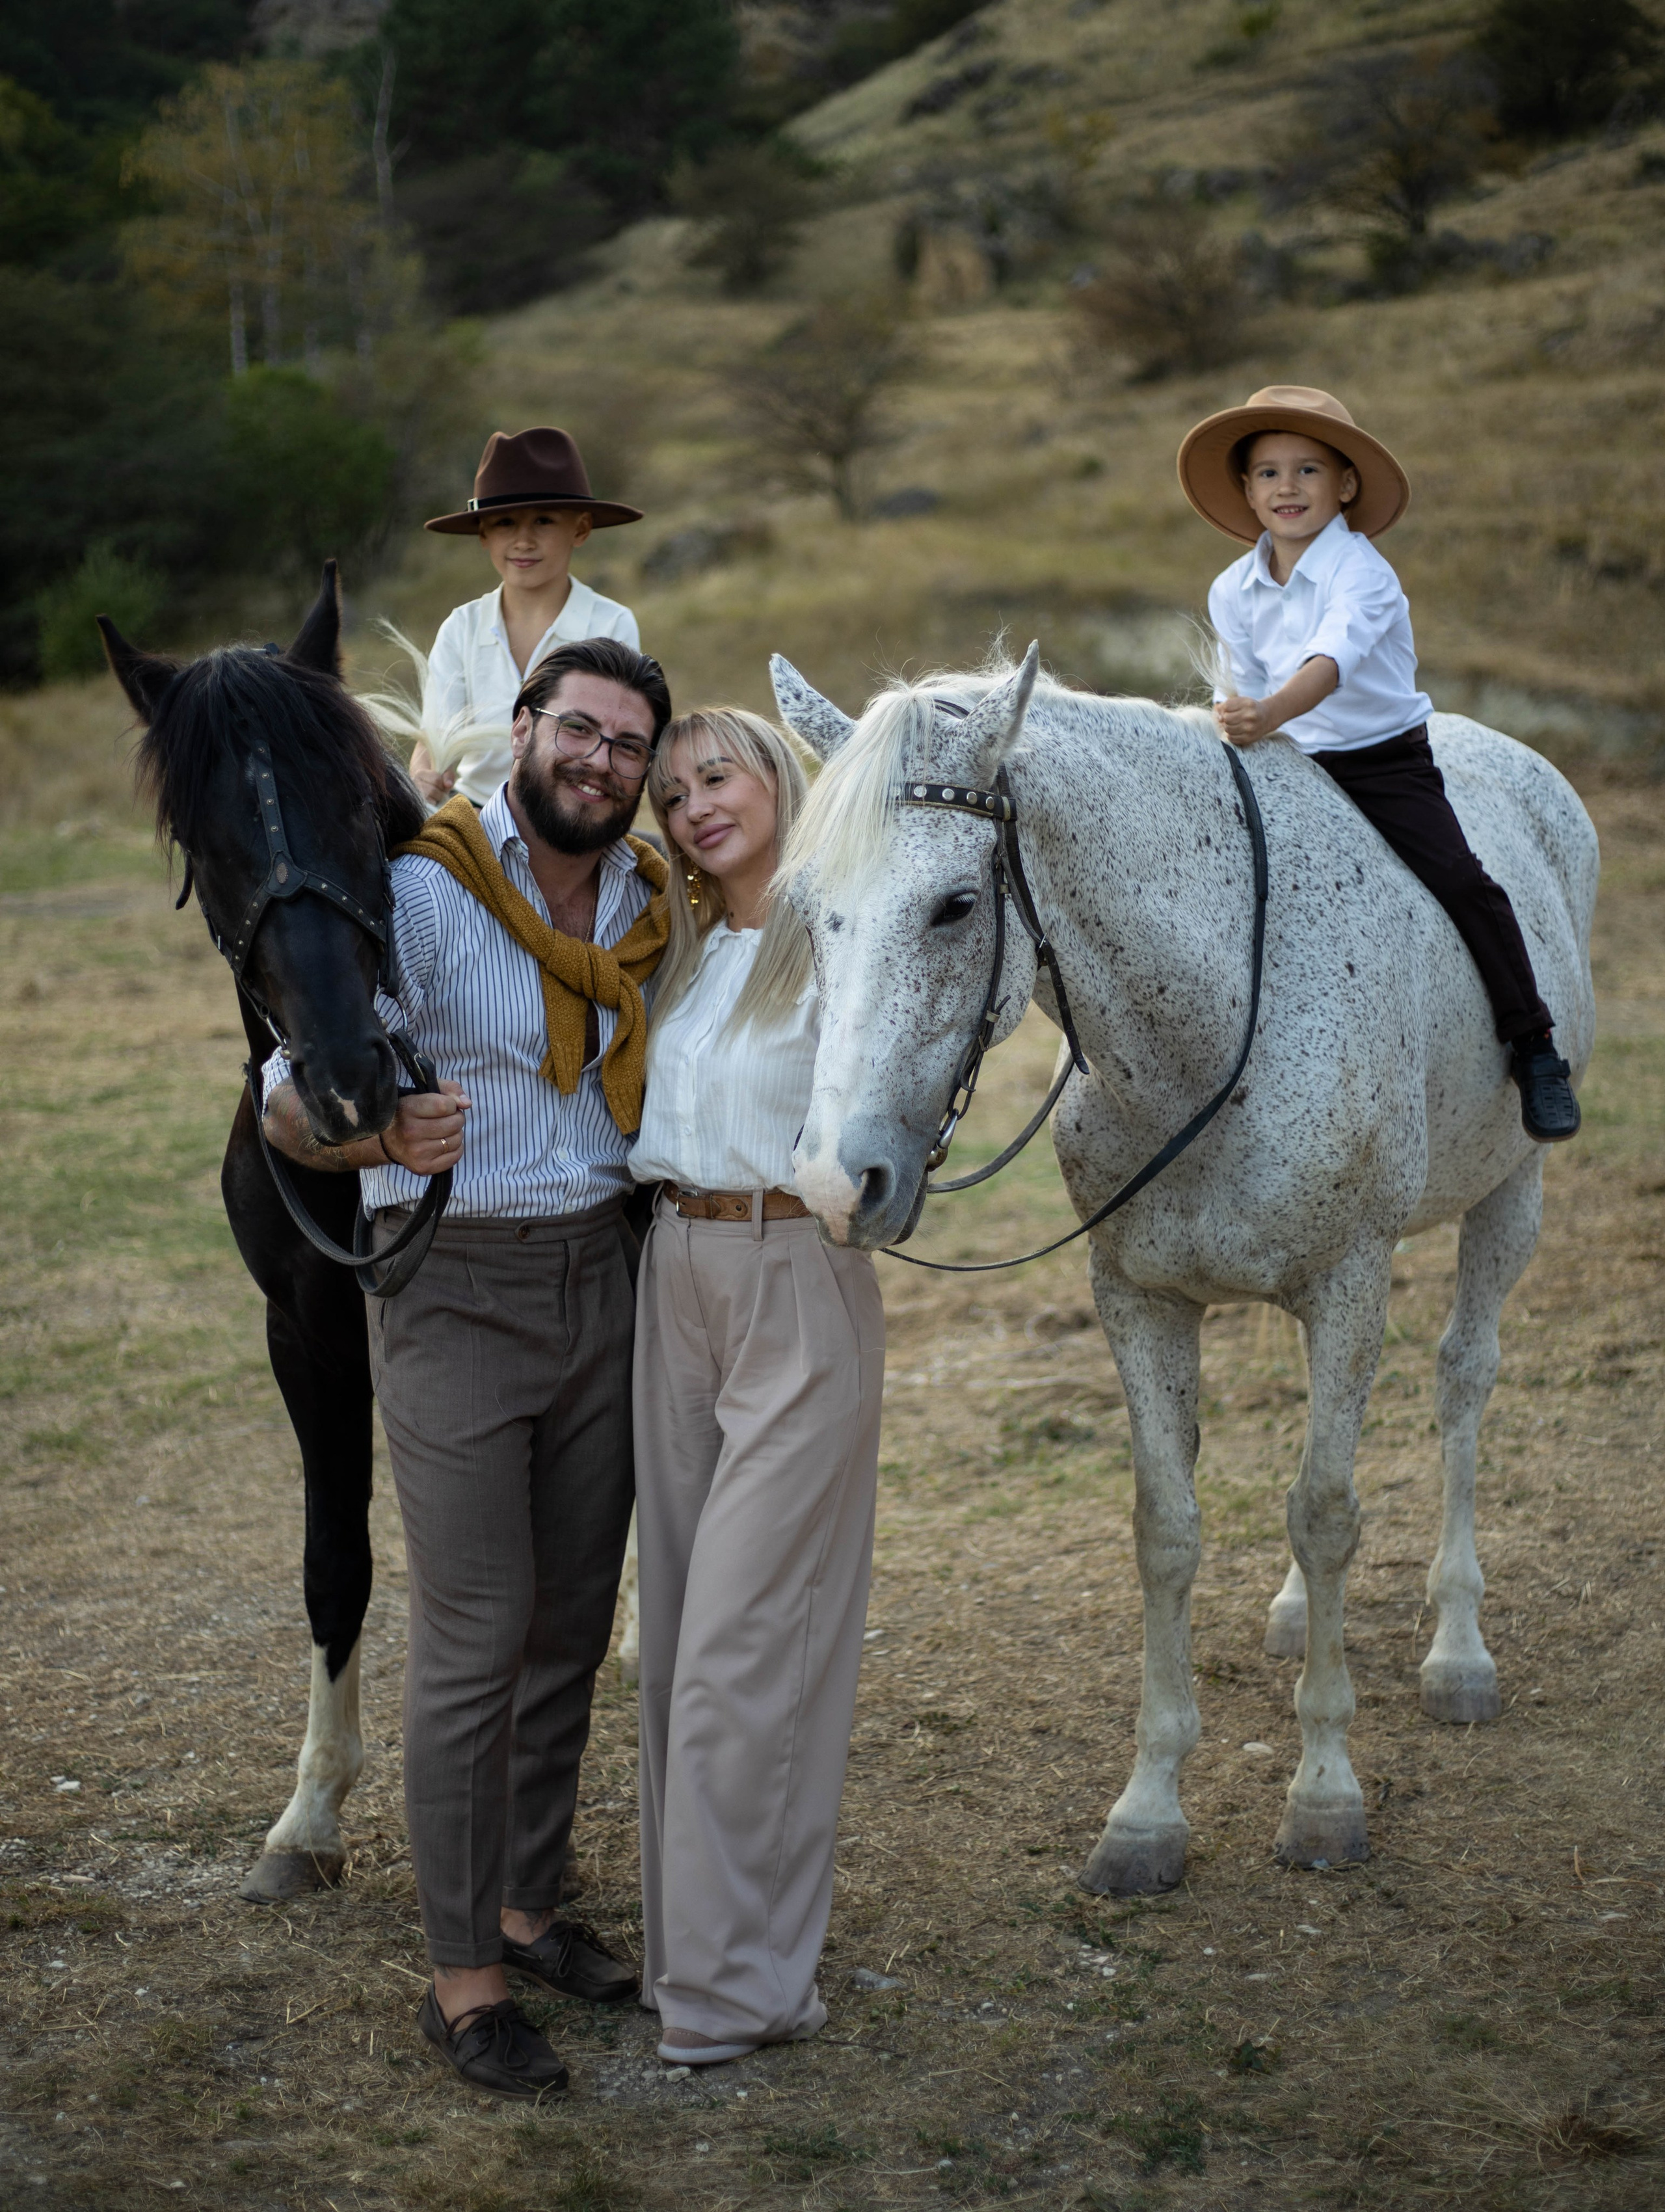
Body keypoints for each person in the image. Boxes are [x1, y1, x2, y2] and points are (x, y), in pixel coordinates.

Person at [262, 636, 673, 2100]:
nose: (599, 760)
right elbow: (283, 1099)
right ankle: (462, 1977)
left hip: (605, 1273)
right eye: (579, 728)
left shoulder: (642, 899)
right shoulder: (429, 891)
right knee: (476, 1627)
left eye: (628, 743)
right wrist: (372, 1136)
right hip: (453, 1286)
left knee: (569, 1617)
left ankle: (526, 1902)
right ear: (522, 731)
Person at [626, 707, 885, 2068]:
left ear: (779, 776)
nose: (692, 806)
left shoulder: (846, 928)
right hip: (669, 1270)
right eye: (671, 793)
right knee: (671, 1644)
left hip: (794, 1270)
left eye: (715, 775)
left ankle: (741, 1990)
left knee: (747, 1645)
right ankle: (698, 1958)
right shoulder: (675, 947)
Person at [1178, 383, 1580, 1144]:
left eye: (1307, 470)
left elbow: (1330, 661)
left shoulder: (1360, 573)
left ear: (1346, 485)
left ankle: (1534, 1048)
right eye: (1267, 473)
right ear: (1245, 490)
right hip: (1285, 764)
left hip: (1379, 763)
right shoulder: (1231, 587)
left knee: (1462, 880)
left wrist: (1267, 714)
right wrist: (1237, 716)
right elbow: (1241, 685)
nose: (1286, 487)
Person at [409, 426, 644, 807]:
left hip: (571, 815)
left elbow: (614, 743)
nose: (523, 540)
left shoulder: (610, 624)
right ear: (483, 534)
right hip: (472, 817)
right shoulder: (461, 627)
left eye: (544, 521)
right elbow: (435, 735)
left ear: (581, 528)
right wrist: (423, 777)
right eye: (505, 523)